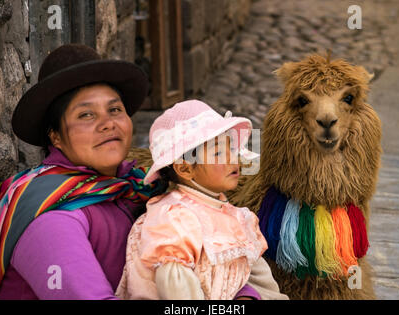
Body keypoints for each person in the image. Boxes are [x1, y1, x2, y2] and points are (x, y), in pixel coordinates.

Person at [0, 44, 261, 300]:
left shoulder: (138, 188)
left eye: (114, 109)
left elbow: (211, 259)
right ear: (55, 136)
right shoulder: (52, 219)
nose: (107, 123)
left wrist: (243, 296)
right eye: (86, 115)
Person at [116, 100, 288, 300]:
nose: (233, 159)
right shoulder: (175, 219)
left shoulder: (232, 215)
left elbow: (257, 278)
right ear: (185, 169)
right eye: (218, 153)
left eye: (231, 149)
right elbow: (177, 292)